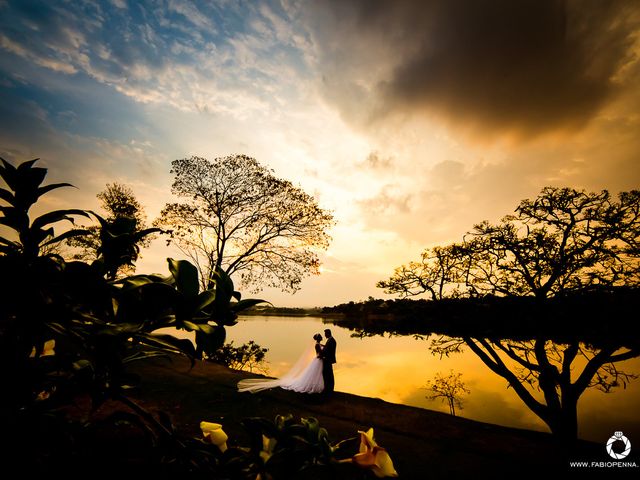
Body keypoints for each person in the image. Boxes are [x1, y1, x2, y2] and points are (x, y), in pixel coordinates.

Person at [237, 334, 325, 394]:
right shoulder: (317, 345)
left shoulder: (318, 344)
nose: (322, 338)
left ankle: (313, 385)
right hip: (318, 359)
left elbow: (321, 347)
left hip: (318, 360)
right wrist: (324, 354)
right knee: (314, 374)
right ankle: (312, 386)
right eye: (321, 337)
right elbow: (320, 353)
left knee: (315, 374)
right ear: (318, 339)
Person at [321, 328, 337, 395]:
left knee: (328, 374)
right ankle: (328, 388)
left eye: (325, 334)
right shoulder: (330, 340)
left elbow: (328, 351)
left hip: (328, 360)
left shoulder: (331, 341)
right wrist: (322, 346)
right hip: (328, 359)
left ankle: (329, 388)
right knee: (328, 373)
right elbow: (327, 348)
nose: (325, 335)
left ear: (328, 333)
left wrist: (322, 353)